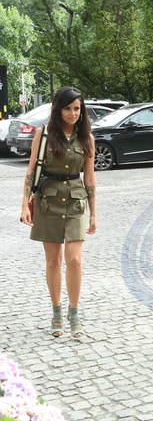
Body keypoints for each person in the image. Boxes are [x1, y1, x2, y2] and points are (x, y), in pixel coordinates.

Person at [20, 87, 96, 339]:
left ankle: (74, 313)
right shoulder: (43, 135)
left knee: (74, 259)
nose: (73, 113)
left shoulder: (87, 138)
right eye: (67, 108)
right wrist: (24, 204)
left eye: (77, 109)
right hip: (48, 200)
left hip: (76, 201)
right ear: (58, 109)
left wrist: (93, 213)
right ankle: (56, 312)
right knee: (53, 259)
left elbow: (89, 178)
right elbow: (31, 171)